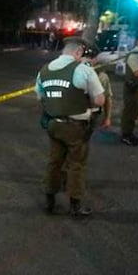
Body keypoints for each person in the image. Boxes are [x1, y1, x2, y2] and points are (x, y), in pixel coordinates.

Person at [36, 36, 105, 217]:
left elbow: (40, 96)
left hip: (53, 124)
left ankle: (49, 201)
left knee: (54, 162)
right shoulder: (83, 70)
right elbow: (99, 99)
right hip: (76, 127)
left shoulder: (44, 70)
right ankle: (75, 205)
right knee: (76, 165)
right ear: (78, 52)